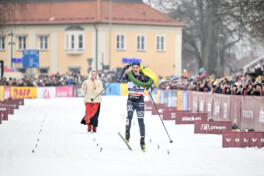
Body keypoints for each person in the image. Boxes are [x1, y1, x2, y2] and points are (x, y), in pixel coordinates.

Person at [119, 62, 153, 152]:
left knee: (141, 121)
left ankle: (142, 141)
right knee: (129, 116)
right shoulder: (128, 76)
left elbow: (150, 87)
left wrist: (149, 88)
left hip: (140, 101)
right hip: (130, 100)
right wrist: (125, 68)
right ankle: (127, 133)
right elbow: (118, 78)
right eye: (133, 67)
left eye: (136, 67)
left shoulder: (144, 77)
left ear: (139, 68)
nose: (134, 69)